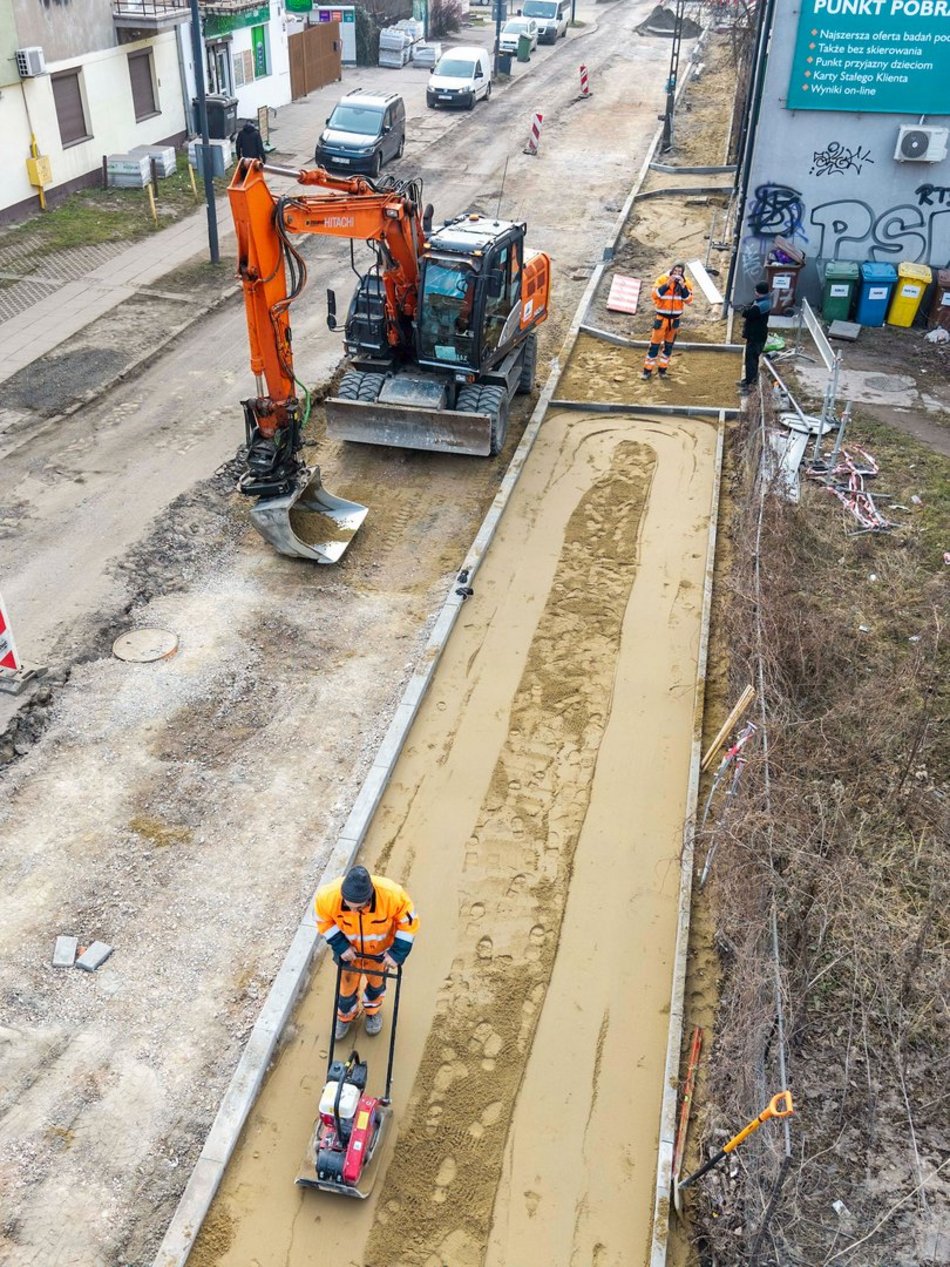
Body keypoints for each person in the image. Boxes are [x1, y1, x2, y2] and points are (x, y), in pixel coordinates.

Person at [314, 865, 419, 1040]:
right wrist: (341, 946)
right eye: (349, 906)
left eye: (358, 907)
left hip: (378, 954)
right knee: (346, 988)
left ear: (368, 899)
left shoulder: (392, 896)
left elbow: (409, 923)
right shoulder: (328, 897)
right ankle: (346, 1016)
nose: (353, 911)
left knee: (376, 986)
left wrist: (396, 953)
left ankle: (372, 1012)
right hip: (349, 954)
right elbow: (323, 920)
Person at [642, 261, 693, 381]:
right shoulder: (662, 279)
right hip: (661, 318)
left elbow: (689, 300)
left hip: (674, 320)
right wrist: (667, 284)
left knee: (669, 346)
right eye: (675, 271)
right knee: (654, 345)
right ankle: (647, 371)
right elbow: (655, 295)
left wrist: (682, 287)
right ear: (671, 270)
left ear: (682, 273)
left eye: (679, 272)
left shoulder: (686, 283)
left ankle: (662, 370)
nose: (677, 274)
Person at [737, 281, 772, 393]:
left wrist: (743, 309)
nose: (755, 292)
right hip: (756, 335)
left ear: (759, 292)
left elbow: (747, 314)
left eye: (756, 290)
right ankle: (748, 380)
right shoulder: (765, 301)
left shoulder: (760, 306)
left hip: (756, 336)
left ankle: (750, 386)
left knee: (751, 360)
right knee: (751, 359)